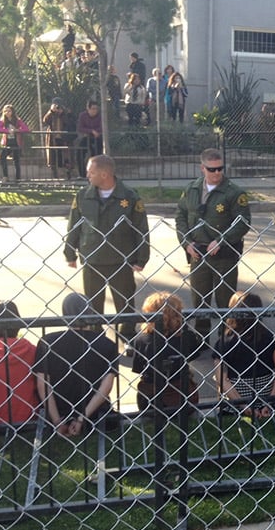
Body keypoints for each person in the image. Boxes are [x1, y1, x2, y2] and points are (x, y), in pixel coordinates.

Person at [64, 154, 150, 344]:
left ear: (104, 174)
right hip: (92, 259)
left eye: (91, 171)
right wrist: (70, 253)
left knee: (125, 303)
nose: (87, 175)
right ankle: (95, 339)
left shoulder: (129, 196)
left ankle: (127, 337)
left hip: (120, 260)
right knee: (93, 304)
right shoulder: (83, 196)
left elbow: (141, 229)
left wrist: (141, 258)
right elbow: (74, 226)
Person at [175, 148, 251, 349]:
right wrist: (186, 242)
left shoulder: (234, 193)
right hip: (198, 255)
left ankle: (225, 341)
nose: (217, 173)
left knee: (226, 300)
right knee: (199, 300)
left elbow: (242, 222)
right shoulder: (191, 189)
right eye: (212, 169)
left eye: (220, 168)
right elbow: (181, 216)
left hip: (223, 256)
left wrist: (222, 240)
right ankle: (201, 341)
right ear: (202, 168)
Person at [33, 293, 118, 437]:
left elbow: (43, 385)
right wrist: (81, 419)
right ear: (91, 313)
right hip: (95, 413)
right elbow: (106, 388)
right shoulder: (107, 344)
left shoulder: (48, 342)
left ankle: (58, 420)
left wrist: (57, 421)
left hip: (59, 410)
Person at [213, 292, 275, 419]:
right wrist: (269, 400)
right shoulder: (269, 338)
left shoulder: (224, 342)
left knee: (218, 376)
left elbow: (222, 380)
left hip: (236, 400)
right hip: (266, 395)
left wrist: (245, 406)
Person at [132, 292, 199, 414]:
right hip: (185, 398)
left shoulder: (142, 340)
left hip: (150, 401)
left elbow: (139, 368)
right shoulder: (188, 336)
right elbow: (192, 356)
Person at [0, 104, 30, 182]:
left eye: (9, 111)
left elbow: (26, 129)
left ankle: (18, 178)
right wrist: (7, 131)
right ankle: (5, 176)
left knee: (16, 160)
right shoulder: (3, 120)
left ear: (12, 112)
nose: (7, 113)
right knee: (2, 157)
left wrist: (17, 130)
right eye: (5, 111)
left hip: (15, 142)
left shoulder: (17, 120)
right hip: (7, 143)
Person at [43, 98, 73, 179]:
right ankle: (55, 175)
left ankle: (67, 174)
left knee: (65, 156)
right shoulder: (51, 114)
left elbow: (69, 122)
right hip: (53, 138)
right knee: (53, 156)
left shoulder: (65, 113)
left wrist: (62, 113)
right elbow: (45, 120)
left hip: (63, 138)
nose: (58, 108)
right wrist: (52, 111)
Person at [75, 100, 104, 179]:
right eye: (93, 109)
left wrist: (96, 132)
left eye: (96, 109)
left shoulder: (100, 116)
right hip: (86, 137)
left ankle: (96, 174)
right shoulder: (83, 115)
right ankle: (82, 174)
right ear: (88, 109)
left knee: (97, 156)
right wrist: (91, 131)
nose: (95, 111)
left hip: (96, 138)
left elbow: (101, 127)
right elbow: (80, 128)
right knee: (79, 153)